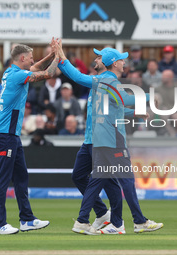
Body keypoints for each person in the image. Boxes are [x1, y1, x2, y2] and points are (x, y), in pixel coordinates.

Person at [57, 46, 163, 235]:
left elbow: (113, 107)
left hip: (99, 138)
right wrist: (149, 96)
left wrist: (135, 113)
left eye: (98, 57)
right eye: (122, 59)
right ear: (114, 63)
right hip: (111, 138)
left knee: (99, 180)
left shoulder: (100, 83)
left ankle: (104, 222)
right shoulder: (109, 81)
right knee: (124, 181)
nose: (124, 62)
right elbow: (122, 98)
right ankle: (136, 222)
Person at [0, 41, 60, 235]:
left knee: (21, 177)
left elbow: (36, 67)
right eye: (30, 57)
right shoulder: (19, 76)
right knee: (2, 180)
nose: (32, 60)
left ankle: (27, 219)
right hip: (6, 134)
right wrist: (58, 58)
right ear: (22, 58)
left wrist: (51, 55)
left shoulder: (10, 72)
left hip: (10, 134)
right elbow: (47, 74)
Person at [156, 70, 177, 136]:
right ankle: (172, 134)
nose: (162, 78)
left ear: (171, 78)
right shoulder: (157, 89)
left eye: (164, 76)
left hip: (175, 111)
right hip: (162, 110)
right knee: (164, 114)